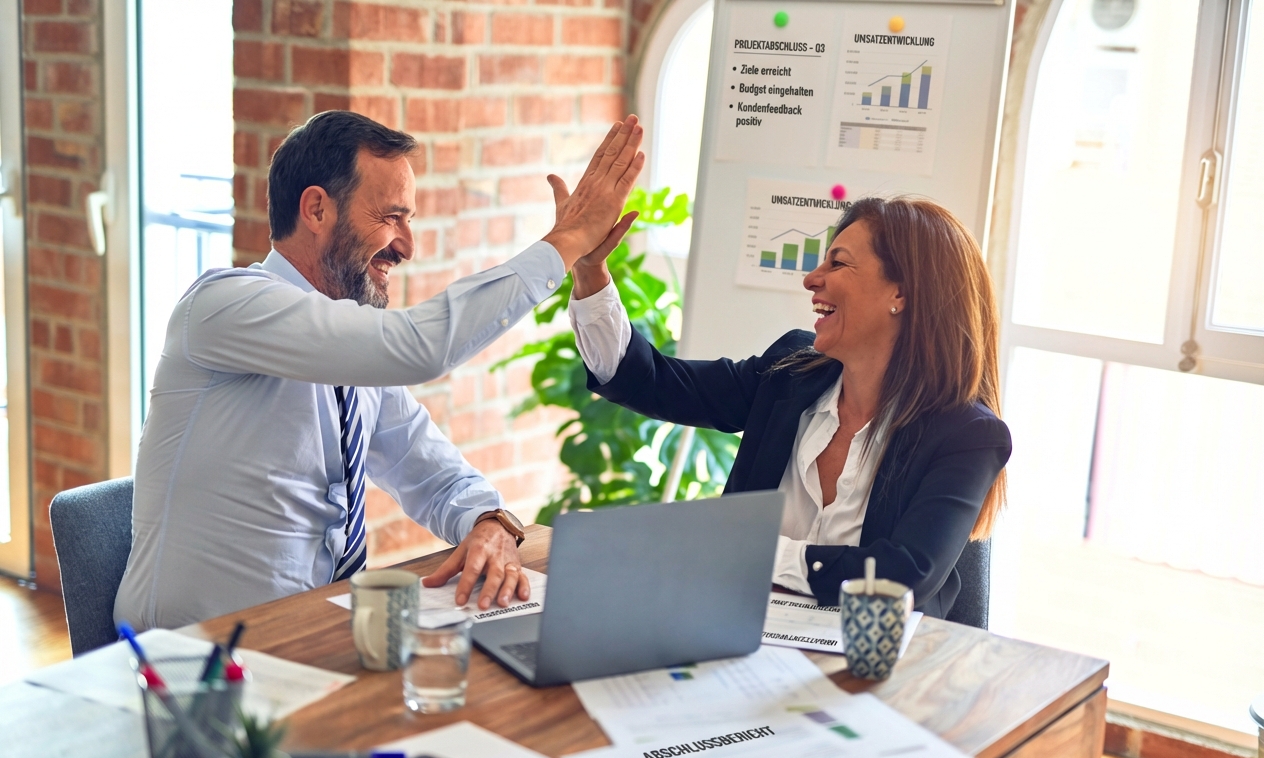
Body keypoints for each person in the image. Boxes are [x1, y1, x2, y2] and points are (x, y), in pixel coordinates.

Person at [115, 110, 644, 630]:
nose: (407, 246)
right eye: (391, 217)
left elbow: (433, 473)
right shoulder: (224, 306)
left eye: (408, 220)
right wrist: (568, 240)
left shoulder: (352, 355)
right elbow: (420, 347)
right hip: (191, 663)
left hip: (311, 639)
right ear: (317, 210)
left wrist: (489, 521)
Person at [567, 196, 1011, 618]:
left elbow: (901, 577)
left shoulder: (967, 435)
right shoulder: (790, 374)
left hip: (876, 671)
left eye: (838, 263)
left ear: (902, 294)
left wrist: (751, 551)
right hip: (740, 638)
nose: (812, 279)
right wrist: (590, 271)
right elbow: (652, 382)